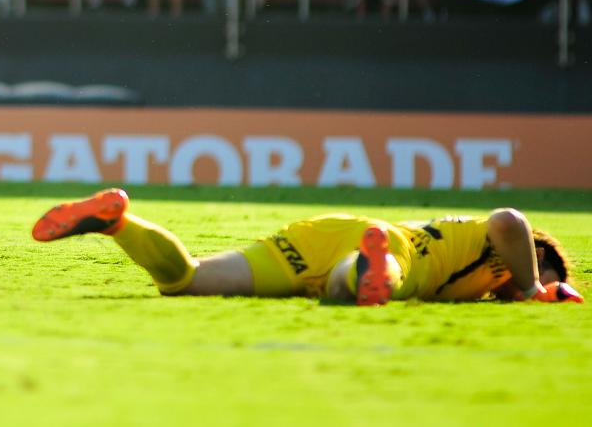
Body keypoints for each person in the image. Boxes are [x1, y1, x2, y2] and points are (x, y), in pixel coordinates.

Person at [33, 188, 582, 306]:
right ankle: (365, 272)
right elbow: (510, 220)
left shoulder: (483, 285)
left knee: (187, 281)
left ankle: (117, 223)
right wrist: (535, 286)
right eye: (542, 268)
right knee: (366, 284)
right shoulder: (496, 253)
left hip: (319, 233)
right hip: (393, 248)